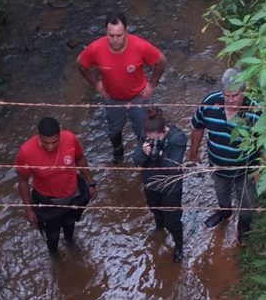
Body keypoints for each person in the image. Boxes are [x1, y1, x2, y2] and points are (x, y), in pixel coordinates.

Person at [77, 13, 167, 164]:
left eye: (119, 35)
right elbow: (80, 63)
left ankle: (144, 155)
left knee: (143, 129)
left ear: (126, 32)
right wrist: (96, 84)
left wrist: (151, 84)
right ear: (106, 33)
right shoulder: (96, 48)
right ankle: (118, 154)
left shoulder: (140, 46)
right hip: (112, 99)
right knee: (114, 130)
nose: (114, 40)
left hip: (138, 97)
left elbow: (161, 61)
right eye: (110, 35)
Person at [188, 68, 263, 244]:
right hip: (218, 166)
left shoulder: (255, 111)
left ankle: (243, 227)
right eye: (226, 96)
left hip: (245, 169)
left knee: (247, 205)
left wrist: (260, 167)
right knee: (222, 194)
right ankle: (225, 213)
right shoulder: (209, 103)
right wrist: (193, 153)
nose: (230, 100)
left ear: (244, 92)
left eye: (235, 96)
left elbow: (265, 143)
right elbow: (197, 128)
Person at [15, 117, 97, 253]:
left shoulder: (70, 139)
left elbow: (80, 159)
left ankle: (71, 244)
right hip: (48, 202)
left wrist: (90, 183)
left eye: (54, 142)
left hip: (72, 196)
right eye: (45, 142)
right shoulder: (26, 152)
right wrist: (28, 209)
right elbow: (23, 182)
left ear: (60, 135)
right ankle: (55, 258)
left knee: (70, 224)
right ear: (38, 136)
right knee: (52, 236)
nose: (50, 146)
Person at [132, 107, 187, 262]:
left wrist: (160, 155)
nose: (152, 140)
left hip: (170, 184)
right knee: (154, 209)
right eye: (149, 138)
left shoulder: (177, 138)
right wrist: (144, 151)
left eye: (156, 138)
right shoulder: (145, 134)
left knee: (173, 221)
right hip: (151, 181)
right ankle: (159, 227)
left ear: (164, 131)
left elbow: (174, 169)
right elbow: (136, 161)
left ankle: (179, 246)